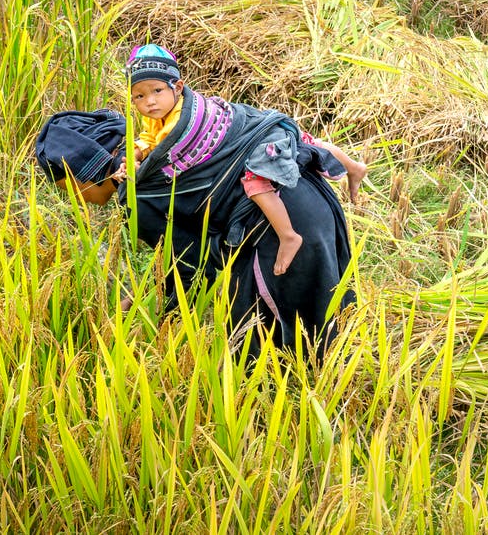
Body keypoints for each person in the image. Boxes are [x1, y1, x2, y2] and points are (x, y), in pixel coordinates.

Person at [35, 94, 358, 361]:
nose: (79, 202)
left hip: (278, 231)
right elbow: (183, 250)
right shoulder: (160, 147)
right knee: (324, 327)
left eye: (70, 189)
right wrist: (137, 297)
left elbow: (190, 267)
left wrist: (139, 314)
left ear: (83, 173)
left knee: (269, 356)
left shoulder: (139, 193)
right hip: (308, 193)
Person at [121, 44, 367, 275]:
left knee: (256, 184)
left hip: (246, 137)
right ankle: (354, 167)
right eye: (139, 96)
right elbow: (150, 140)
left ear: (177, 86)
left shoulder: (184, 118)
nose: (150, 101)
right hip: (250, 127)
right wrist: (137, 153)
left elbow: (170, 151)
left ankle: (288, 235)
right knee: (307, 141)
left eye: (157, 91)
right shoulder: (157, 115)